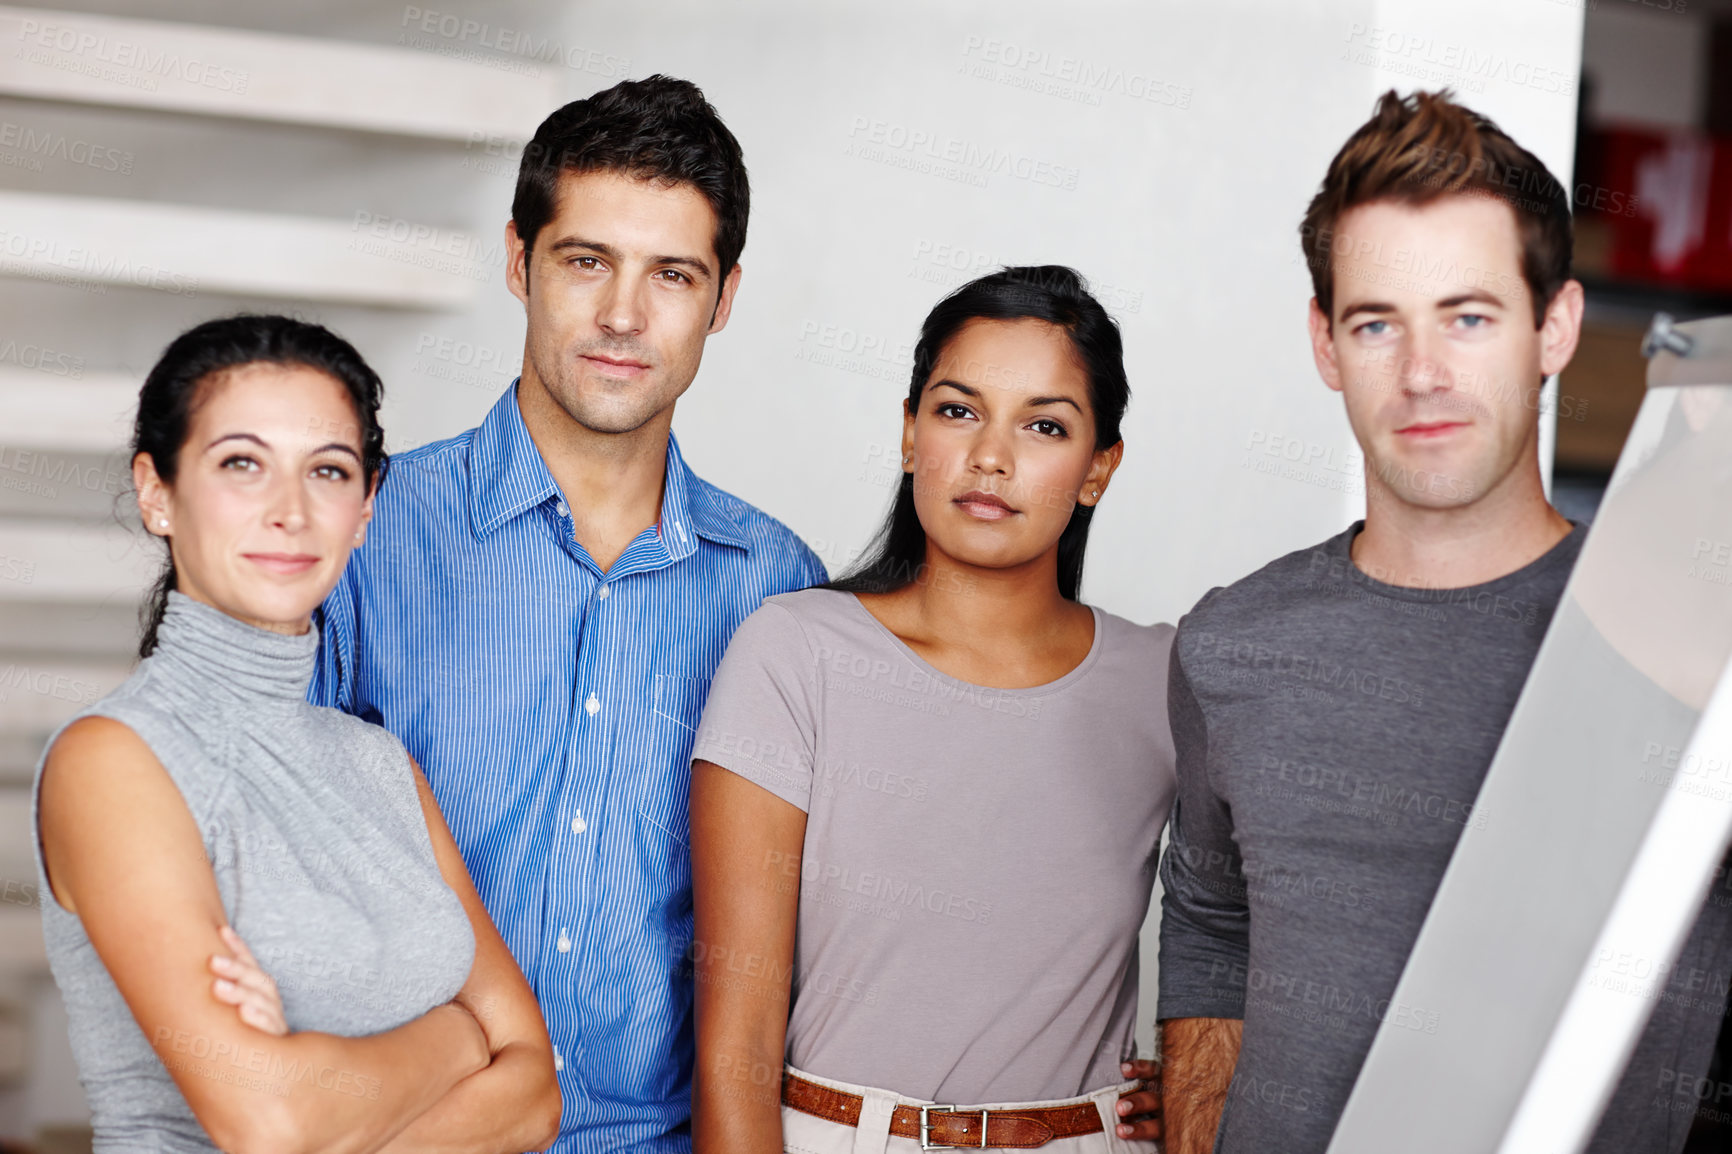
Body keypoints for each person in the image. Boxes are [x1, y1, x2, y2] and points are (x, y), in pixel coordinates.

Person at [1155, 89, 1732, 1154]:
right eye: (1378, 323)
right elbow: (1211, 922)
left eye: (1468, 317)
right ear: (1325, 343)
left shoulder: (1688, 639)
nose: (1422, 374)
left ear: (1552, 325)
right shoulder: (1231, 645)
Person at [309, 76, 825, 1152]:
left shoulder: (777, 585)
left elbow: (820, 926)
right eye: (586, 261)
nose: (623, 316)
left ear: (723, 298)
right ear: (517, 260)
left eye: (672, 274)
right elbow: (274, 873)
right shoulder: (360, 532)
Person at [31, 315, 561, 1152]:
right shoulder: (113, 761)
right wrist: (459, 1039)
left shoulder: (379, 762)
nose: (290, 511)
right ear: (156, 492)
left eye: (328, 471)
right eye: (242, 464)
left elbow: (537, 1089)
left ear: (364, 508)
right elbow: (270, 1124)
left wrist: (323, 1084)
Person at [689, 266, 1172, 1154]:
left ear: (1099, 467)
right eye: (958, 410)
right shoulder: (796, 652)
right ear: (910, 433)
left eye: (1044, 425)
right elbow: (735, 1051)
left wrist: (1210, 1066)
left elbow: (1274, 907)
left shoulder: (1162, 680)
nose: (992, 455)